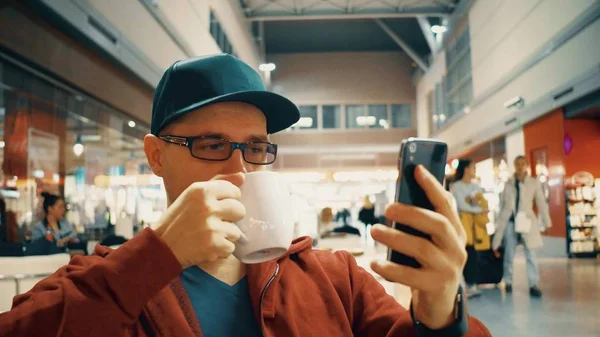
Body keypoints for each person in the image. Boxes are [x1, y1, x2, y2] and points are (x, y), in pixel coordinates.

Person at [0, 54, 490, 337]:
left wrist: (442, 311)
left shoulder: (334, 280)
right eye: (211, 145)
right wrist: (154, 257)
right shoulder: (105, 282)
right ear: (155, 156)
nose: (238, 169)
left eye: (255, 148)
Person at [492, 155, 551, 297]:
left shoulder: (533, 183)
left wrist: (546, 221)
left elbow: (541, 202)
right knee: (509, 253)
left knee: (530, 254)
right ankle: (508, 281)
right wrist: (498, 223)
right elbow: (502, 205)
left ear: (526, 165)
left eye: (522, 164)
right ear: (514, 165)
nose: (519, 166)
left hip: (527, 222)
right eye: (517, 164)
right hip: (511, 222)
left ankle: (533, 284)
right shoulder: (508, 183)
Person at [451, 160, 490, 297]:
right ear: (466, 169)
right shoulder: (456, 186)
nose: (475, 170)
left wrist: (477, 207)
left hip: (475, 226)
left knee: (473, 254)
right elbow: (462, 206)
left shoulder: (475, 186)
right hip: (462, 224)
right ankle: (463, 284)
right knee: (464, 253)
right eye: (473, 167)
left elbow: (478, 201)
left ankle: (471, 284)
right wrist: (480, 209)